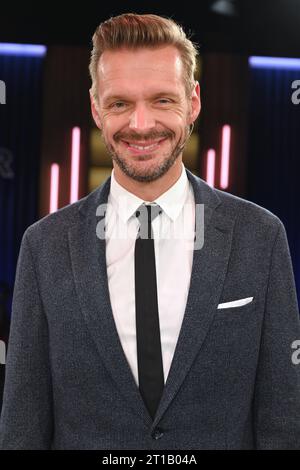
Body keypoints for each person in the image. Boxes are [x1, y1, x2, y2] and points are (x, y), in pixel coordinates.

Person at [0, 13, 299, 450]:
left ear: (193, 101)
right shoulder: (43, 246)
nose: (141, 125)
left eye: (162, 100)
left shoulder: (261, 237)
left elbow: (283, 420)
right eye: (120, 103)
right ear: (96, 108)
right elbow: (22, 427)